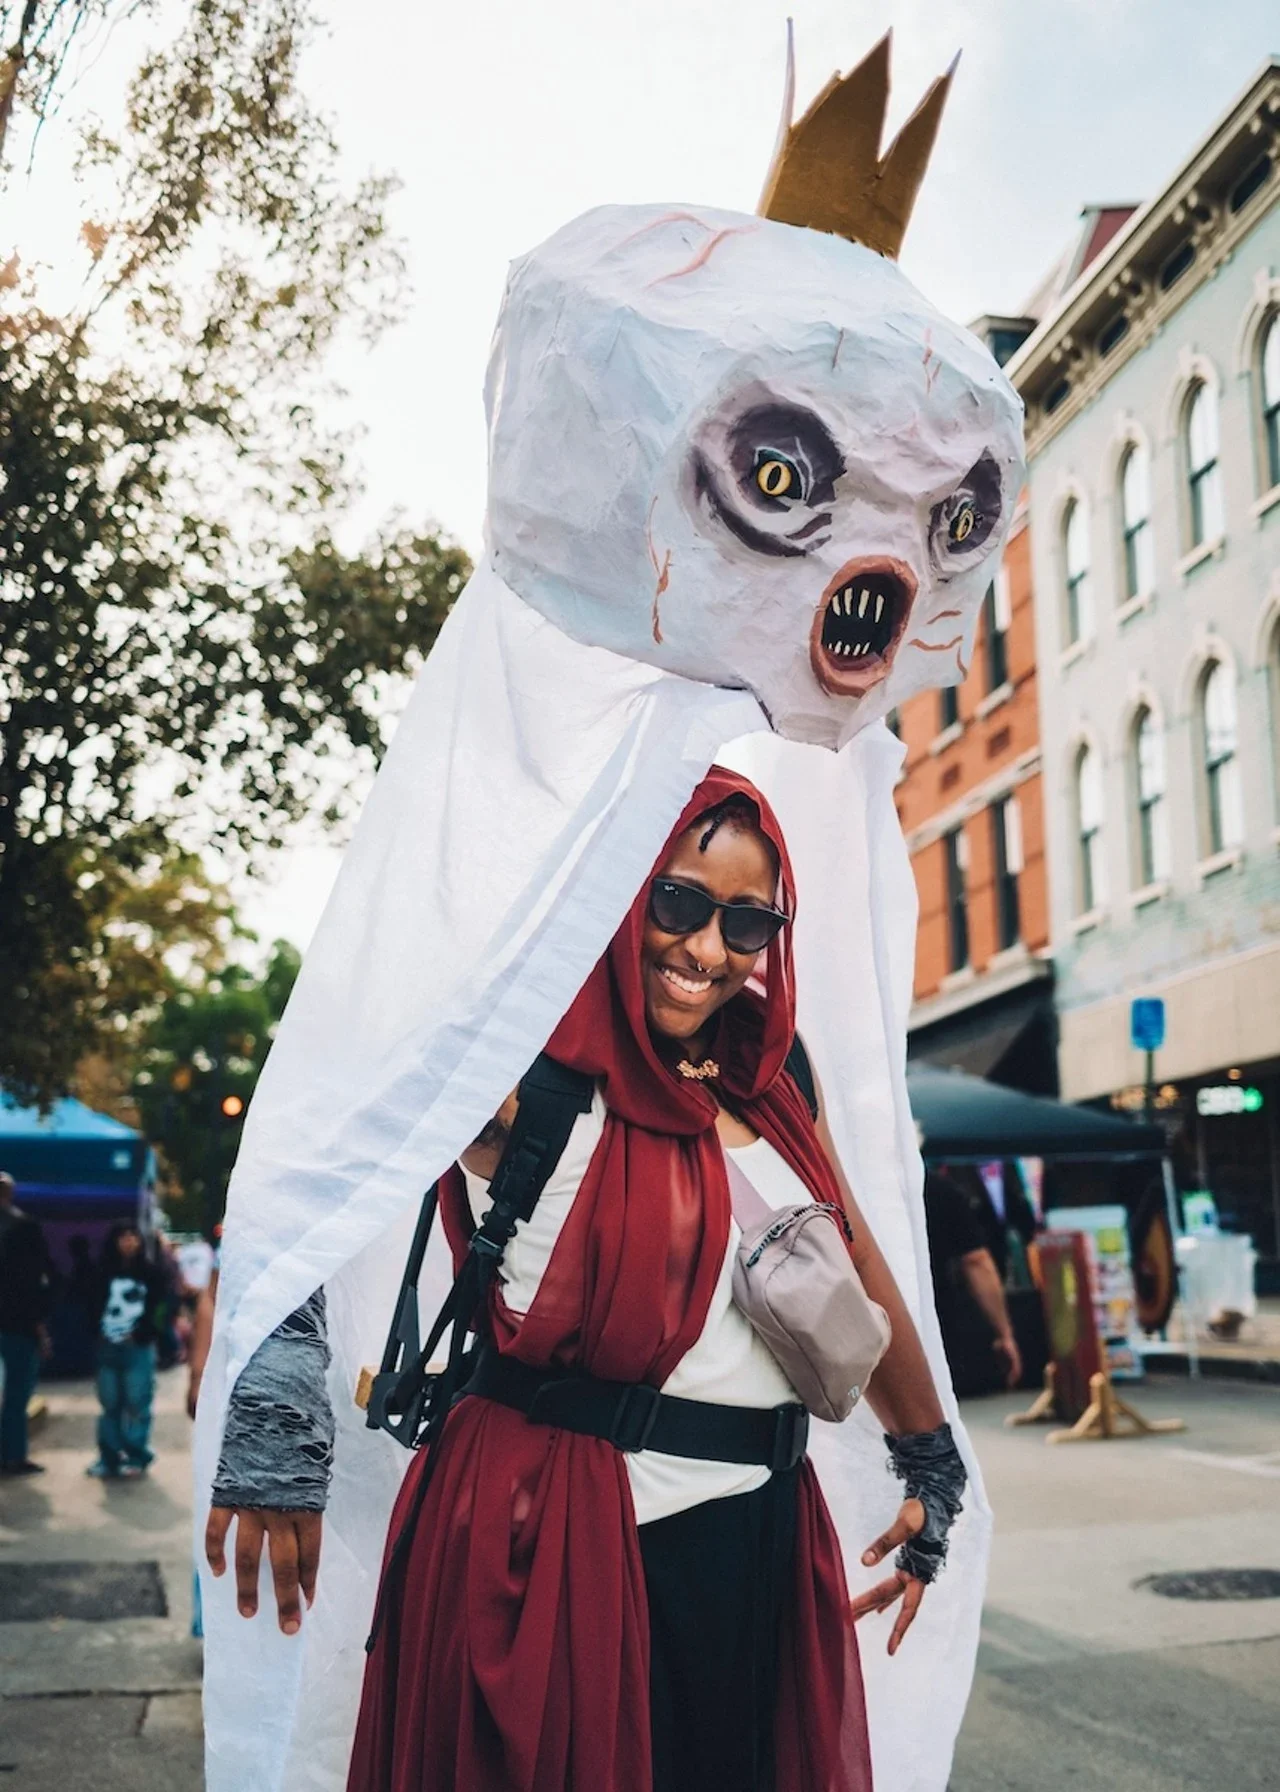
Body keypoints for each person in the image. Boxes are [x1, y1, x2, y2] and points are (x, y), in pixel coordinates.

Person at [207, 773, 969, 1792]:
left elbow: (859, 1263)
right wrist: (275, 1433)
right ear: (622, 887)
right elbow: (308, 1175)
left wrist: (931, 1463)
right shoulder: (524, 1070)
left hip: (760, 1542)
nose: (705, 949)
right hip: (550, 1547)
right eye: (677, 901)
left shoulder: (774, 1079)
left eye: (745, 922)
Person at [923, 1166, 1023, 1397]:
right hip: (934, 1321)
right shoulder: (938, 1188)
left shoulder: (851, 1187)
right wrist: (1004, 1334)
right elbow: (976, 1262)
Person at [87, 1222, 165, 1479]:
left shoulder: (152, 1273)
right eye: (123, 1237)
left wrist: (145, 1333)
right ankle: (108, 1457)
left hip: (138, 1347)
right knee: (109, 1404)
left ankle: (135, 1454)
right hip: (107, 1345)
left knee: (137, 1402)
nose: (129, 1242)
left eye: (133, 1237)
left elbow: (162, 1308)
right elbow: (88, 1302)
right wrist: (95, 1331)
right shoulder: (101, 1272)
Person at [0, 1170, 53, 1476]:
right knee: (17, 1393)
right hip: (17, 1327)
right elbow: (34, 1282)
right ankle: (13, 1455)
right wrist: (40, 1327)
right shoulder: (24, 1228)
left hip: (15, 1324)